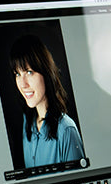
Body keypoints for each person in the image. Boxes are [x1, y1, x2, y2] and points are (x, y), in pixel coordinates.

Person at [9, 33, 85, 168]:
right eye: (17, 74)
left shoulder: (66, 130)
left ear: (46, 72)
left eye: (29, 72)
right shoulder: (28, 122)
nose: (22, 84)